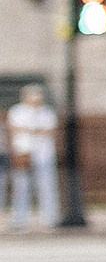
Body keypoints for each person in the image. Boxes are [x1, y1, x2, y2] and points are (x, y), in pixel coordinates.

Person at [6, 81, 59, 229]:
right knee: (21, 186)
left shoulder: (46, 112)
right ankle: (19, 219)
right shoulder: (17, 111)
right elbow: (14, 128)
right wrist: (34, 131)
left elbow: (50, 130)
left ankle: (50, 218)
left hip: (44, 154)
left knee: (47, 186)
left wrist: (29, 130)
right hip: (23, 152)